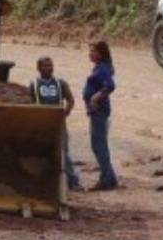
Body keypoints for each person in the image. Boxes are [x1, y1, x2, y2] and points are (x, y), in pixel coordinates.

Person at [30, 56, 80, 192]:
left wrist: (66, 112)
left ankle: (72, 181)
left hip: (58, 123)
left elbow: (70, 100)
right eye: (46, 66)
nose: (49, 68)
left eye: (51, 66)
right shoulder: (34, 84)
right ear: (38, 68)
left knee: (63, 151)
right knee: (42, 151)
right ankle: (43, 181)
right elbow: (30, 103)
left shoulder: (60, 83)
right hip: (41, 123)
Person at [84, 40, 118, 191]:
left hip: (99, 111)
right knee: (100, 145)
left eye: (93, 51)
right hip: (97, 111)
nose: (90, 54)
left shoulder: (102, 69)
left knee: (98, 146)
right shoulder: (99, 67)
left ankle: (105, 179)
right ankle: (110, 178)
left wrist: (95, 97)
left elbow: (110, 85)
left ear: (101, 54)